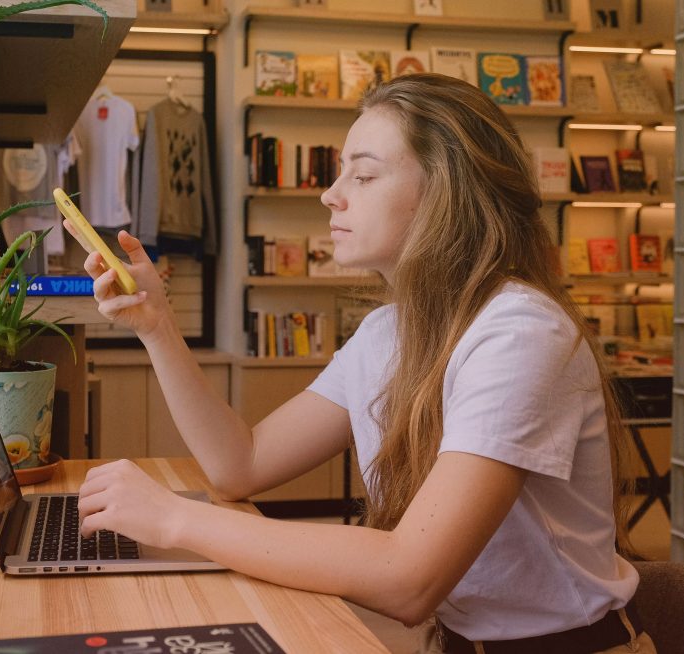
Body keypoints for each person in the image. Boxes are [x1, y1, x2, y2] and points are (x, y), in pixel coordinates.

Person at [73, 73, 654, 654]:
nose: (331, 194)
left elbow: (408, 579)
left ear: (446, 193)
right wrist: (158, 326)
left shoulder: (521, 334)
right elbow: (240, 464)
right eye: (339, 171)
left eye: (365, 174)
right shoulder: (386, 333)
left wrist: (176, 520)